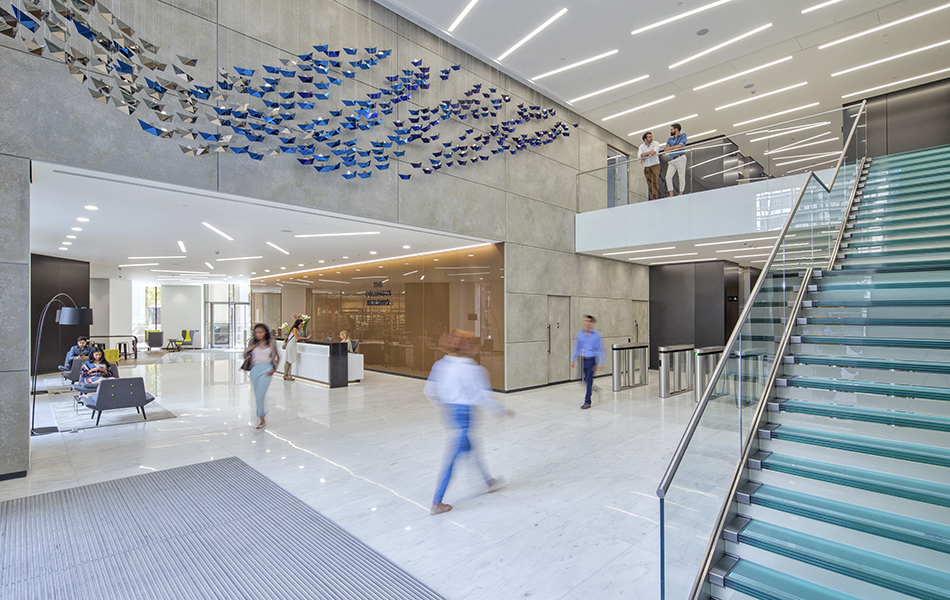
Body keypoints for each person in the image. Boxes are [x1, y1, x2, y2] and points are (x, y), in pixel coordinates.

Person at [425, 330, 512, 515]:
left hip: (451, 413)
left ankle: (489, 482)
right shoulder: (472, 368)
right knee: (452, 460)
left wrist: (445, 404)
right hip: (464, 416)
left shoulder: (440, 364)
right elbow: (481, 396)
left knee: (472, 448)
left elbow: (429, 391)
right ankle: (436, 502)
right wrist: (500, 411)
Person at [245, 323, 279, 429]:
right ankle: (262, 413)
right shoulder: (252, 342)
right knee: (257, 394)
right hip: (255, 369)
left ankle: (261, 417)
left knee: (260, 394)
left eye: (261, 332)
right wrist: (248, 350)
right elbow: (245, 355)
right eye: (256, 333)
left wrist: (274, 369)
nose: (258, 334)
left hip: (267, 368)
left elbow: (278, 356)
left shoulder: (272, 342)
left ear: (265, 332)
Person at [570, 315, 604, 410]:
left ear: (592, 323)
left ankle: (587, 401)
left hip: (592, 360)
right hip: (583, 359)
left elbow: (601, 349)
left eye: (589, 321)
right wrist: (573, 360)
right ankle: (593, 388)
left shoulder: (596, 336)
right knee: (581, 379)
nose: (587, 323)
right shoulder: (580, 335)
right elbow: (577, 348)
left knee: (589, 380)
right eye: (586, 321)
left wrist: (600, 362)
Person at [665, 123, 688, 197]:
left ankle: (681, 193)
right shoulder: (670, 139)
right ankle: (671, 193)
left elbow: (681, 146)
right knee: (668, 177)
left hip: (680, 157)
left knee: (681, 176)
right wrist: (675, 147)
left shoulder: (683, 135)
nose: (670, 131)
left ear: (676, 129)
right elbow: (666, 149)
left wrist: (671, 148)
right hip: (672, 159)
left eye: (671, 129)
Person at [639, 131, 662, 200]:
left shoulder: (656, 143)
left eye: (651, 136)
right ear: (645, 139)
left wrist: (645, 155)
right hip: (647, 166)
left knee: (654, 181)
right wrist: (648, 153)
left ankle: (654, 197)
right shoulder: (642, 146)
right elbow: (640, 155)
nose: (651, 138)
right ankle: (652, 197)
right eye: (649, 137)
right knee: (649, 183)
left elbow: (654, 152)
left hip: (655, 165)